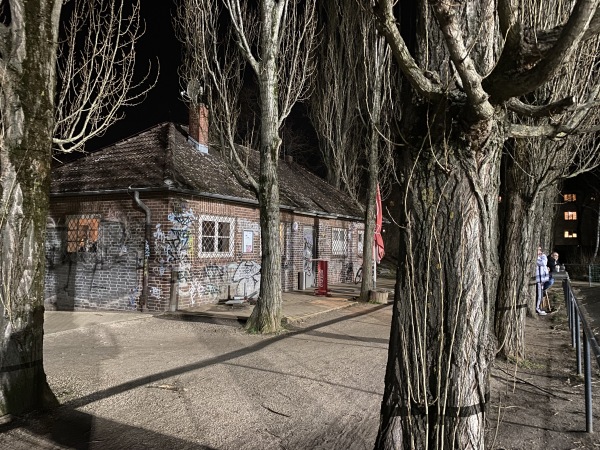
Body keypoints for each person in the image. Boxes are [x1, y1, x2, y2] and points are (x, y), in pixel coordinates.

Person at [534, 246, 549, 315]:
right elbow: (542, 263)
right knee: (539, 295)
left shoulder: (543, 256)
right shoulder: (536, 258)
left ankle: (538, 308)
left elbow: (544, 263)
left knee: (540, 294)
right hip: (538, 280)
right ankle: (537, 309)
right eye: (538, 250)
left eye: (540, 249)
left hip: (543, 279)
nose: (540, 251)